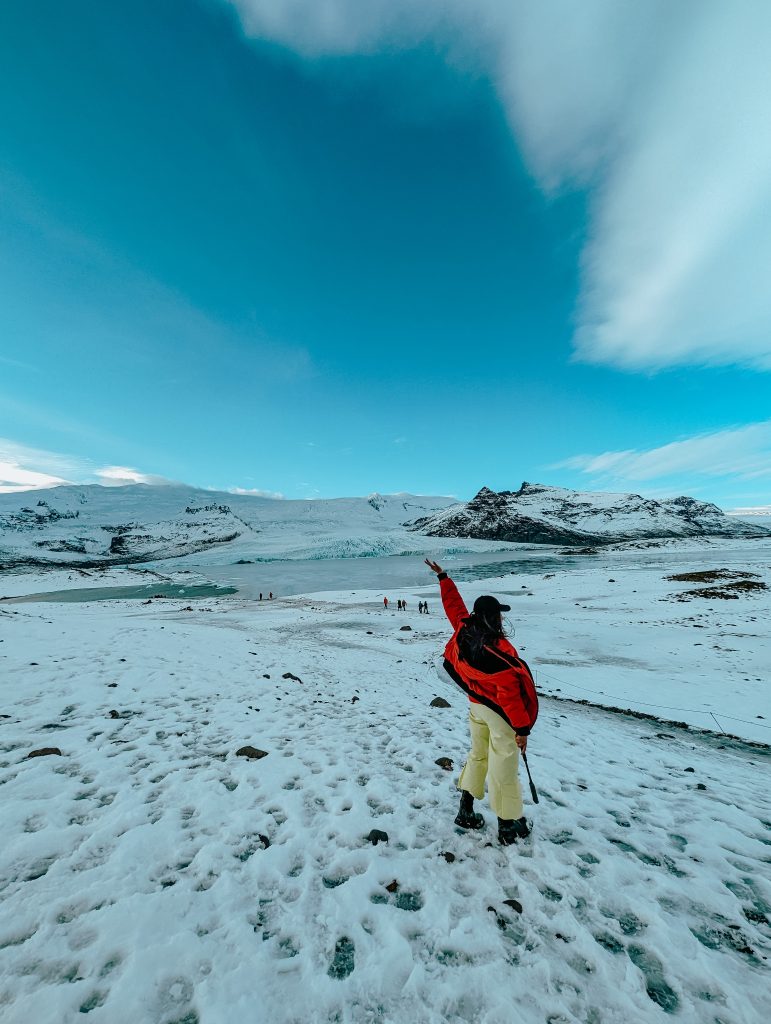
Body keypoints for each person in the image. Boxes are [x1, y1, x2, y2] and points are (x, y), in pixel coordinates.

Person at [426, 558, 538, 845]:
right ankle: (507, 824)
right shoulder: (501, 651)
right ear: (495, 618)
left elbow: (454, 608)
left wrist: (444, 578)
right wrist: (522, 730)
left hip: (475, 707)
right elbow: (510, 697)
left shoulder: (463, 631)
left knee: (478, 755)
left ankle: (466, 810)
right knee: (504, 766)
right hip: (500, 715)